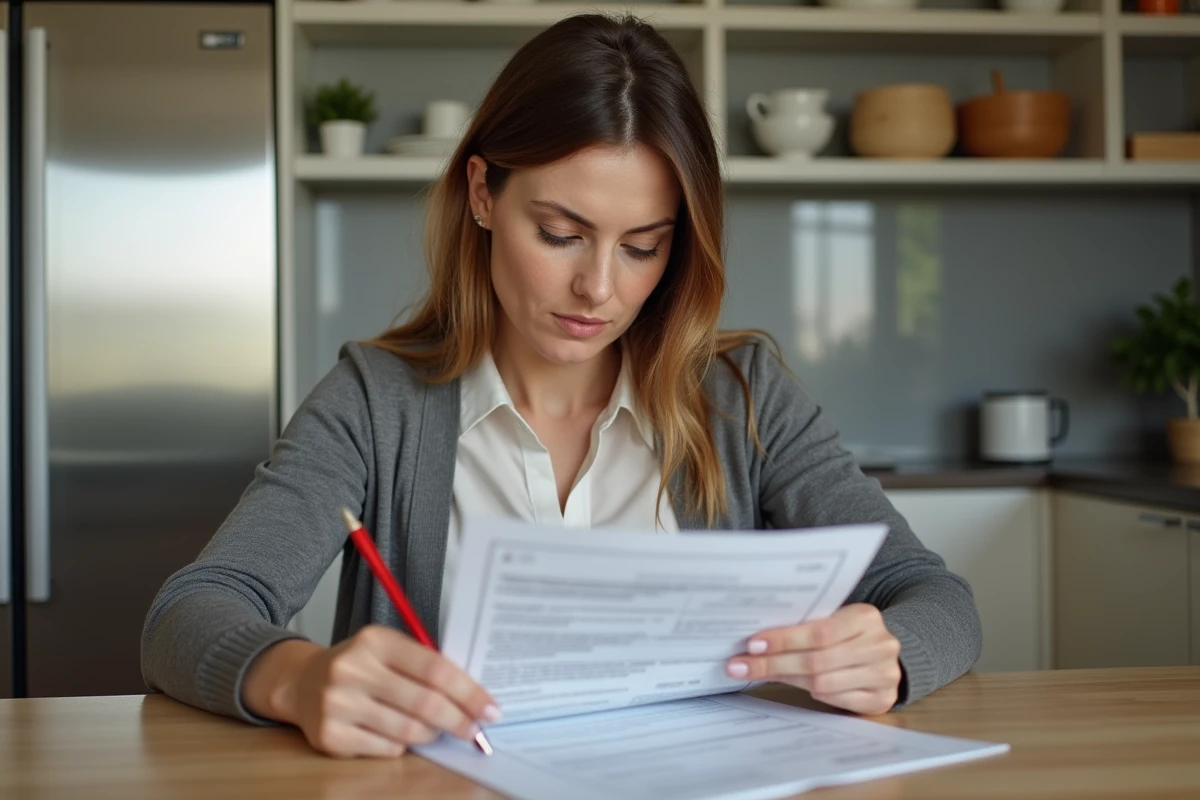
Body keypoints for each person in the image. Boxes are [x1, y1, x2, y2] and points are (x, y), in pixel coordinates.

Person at [141, 12, 981, 760]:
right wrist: (298, 680)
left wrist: (892, 653)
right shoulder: (377, 400)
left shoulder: (740, 394)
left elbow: (935, 595)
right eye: (560, 233)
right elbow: (192, 611)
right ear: (482, 194)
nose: (599, 289)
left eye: (643, 246)